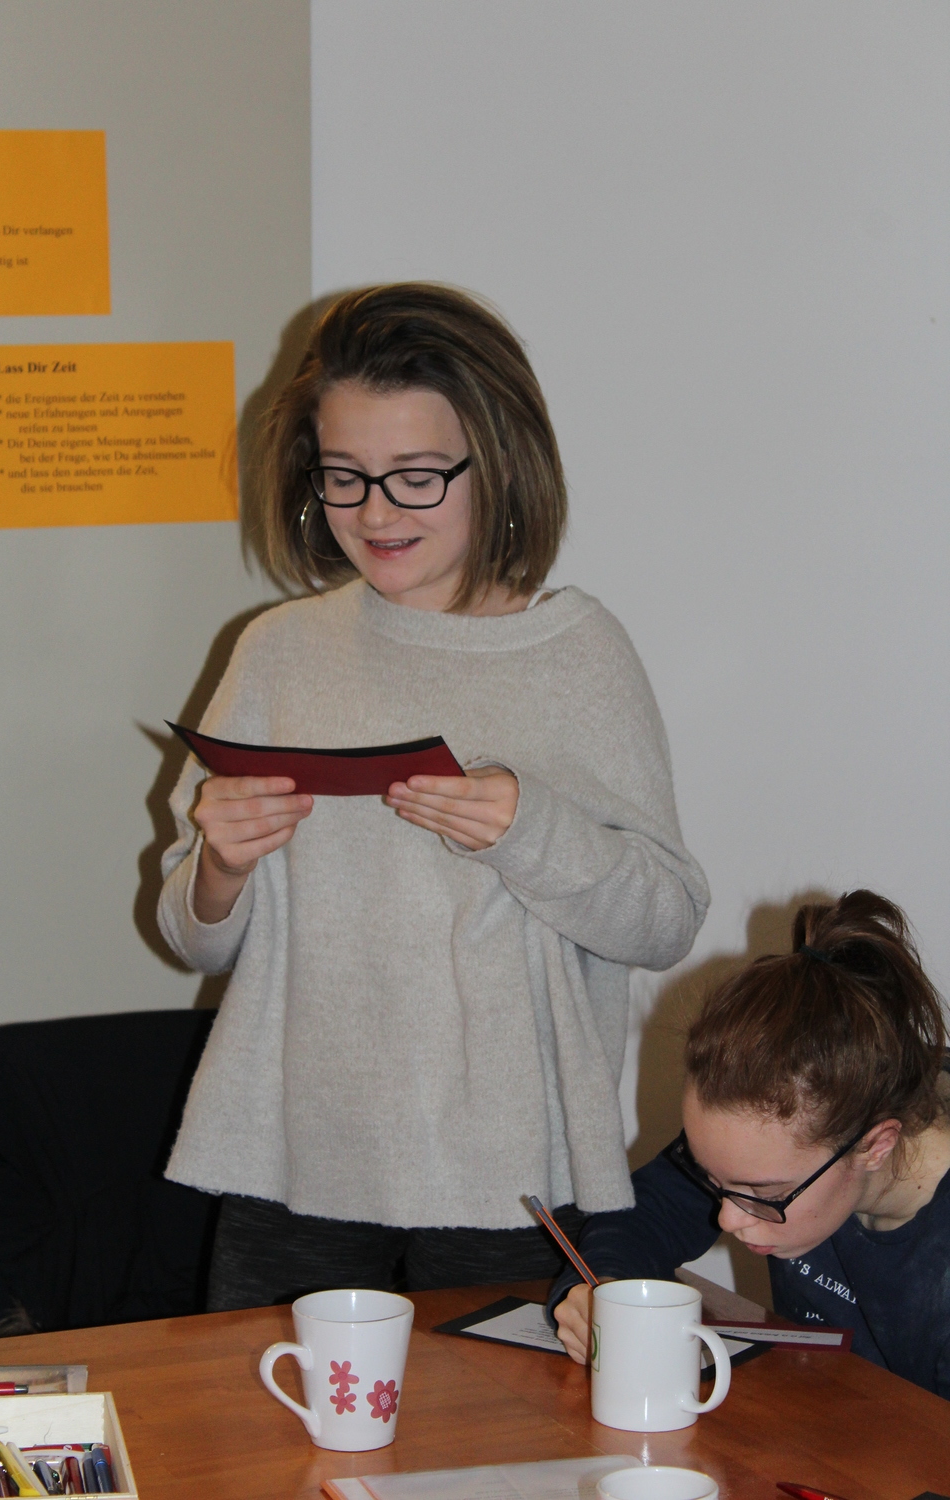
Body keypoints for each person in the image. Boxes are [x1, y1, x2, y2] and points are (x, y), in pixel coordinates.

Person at [157, 283, 709, 1309]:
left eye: (416, 477)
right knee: (272, 1412)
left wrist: (528, 829)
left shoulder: (576, 653)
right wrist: (218, 868)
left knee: (500, 1417)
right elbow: (195, 939)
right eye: (343, 477)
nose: (375, 513)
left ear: (499, 462)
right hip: (293, 1156)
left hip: (508, 1170)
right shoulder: (277, 650)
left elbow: (665, 919)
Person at [551, 889, 950, 1399]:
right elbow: (645, 1215)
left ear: (875, 1146)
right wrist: (601, 1289)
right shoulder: (787, 1135)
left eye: (764, 1195)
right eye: (713, 1180)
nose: (726, 1218)